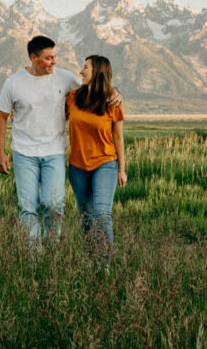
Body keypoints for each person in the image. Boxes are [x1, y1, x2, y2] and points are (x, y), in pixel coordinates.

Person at [0, 35, 80, 248]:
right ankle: (34, 257)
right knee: (28, 206)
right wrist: (0, 153)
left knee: (53, 204)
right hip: (24, 154)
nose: (54, 61)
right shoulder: (13, 83)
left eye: (55, 56)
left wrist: (115, 93)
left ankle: (52, 250)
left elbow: (93, 91)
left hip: (55, 152)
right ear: (33, 57)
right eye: (49, 58)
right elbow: (1, 118)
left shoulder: (65, 78)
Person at [66, 55, 127, 261]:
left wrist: (122, 169)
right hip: (77, 167)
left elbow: (118, 137)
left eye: (85, 67)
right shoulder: (73, 97)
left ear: (98, 71)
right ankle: (92, 259)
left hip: (105, 163)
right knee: (86, 217)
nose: (81, 72)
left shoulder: (112, 102)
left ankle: (105, 264)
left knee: (102, 215)